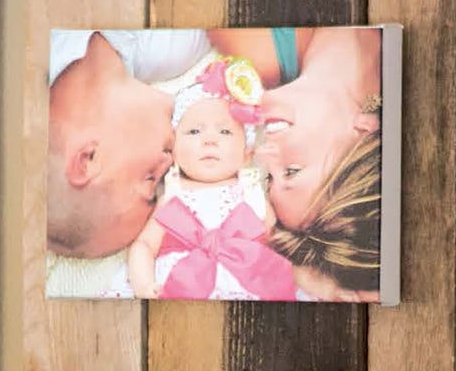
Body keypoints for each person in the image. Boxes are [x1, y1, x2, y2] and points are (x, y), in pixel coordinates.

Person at [44, 29, 209, 295]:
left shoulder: (31, 50)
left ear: (88, 158)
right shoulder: (175, 49)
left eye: (150, 178)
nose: (172, 163)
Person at [125, 59, 296, 302]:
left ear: (247, 154)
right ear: (174, 148)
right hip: (180, 285)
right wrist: (144, 285)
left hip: (247, 285)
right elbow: (144, 247)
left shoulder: (252, 194)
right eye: (194, 131)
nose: (209, 140)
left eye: (225, 131)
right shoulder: (172, 196)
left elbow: (281, 244)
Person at [240, 26, 385, 301]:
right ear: (366, 130)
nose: (263, 154)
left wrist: (301, 270)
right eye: (291, 171)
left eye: (270, 178)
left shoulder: (254, 48)